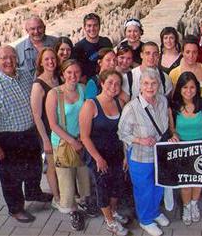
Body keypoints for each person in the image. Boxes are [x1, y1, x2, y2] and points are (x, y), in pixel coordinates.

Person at [0, 45, 52, 223]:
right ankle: (15, 209)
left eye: (12, 57)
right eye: (4, 58)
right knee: (11, 177)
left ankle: (33, 192)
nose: (9, 61)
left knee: (34, 166)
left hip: (29, 133)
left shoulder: (26, 75)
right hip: (7, 139)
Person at [119, 68, 172, 236]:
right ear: (140, 86)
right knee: (144, 189)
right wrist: (140, 140)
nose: (150, 87)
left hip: (160, 153)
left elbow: (166, 124)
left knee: (158, 185)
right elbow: (122, 133)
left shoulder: (163, 100)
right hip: (140, 156)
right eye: (146, 83)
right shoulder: (131, 108)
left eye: (154, 83)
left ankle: (154, 212)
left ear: (158, 85)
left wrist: (173, 135)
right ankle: (145, 220)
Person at [79, 69, 129, 235]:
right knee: (103, 188)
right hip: (97, 155)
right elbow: (85, 137)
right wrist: (98, 158)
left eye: (117, 84)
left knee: (117, 185)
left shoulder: (120, 103)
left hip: (116, 153)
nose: (113, 87)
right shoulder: (90, 105)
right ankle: (109, 221)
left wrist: (125, 155)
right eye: (109, 83)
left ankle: (113, 212)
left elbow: (123, 134)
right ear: (101, 83)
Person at [45, 60, 93, 231]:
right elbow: (53, 124)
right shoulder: (54, 94)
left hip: (81, 141)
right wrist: (72, 141)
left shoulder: (82, 88)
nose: (73, 76)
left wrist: (82, 138)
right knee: (66, 181)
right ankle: (72, 211)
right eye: (69, 73)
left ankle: (83, 203)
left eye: (77, 72)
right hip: (63, 144)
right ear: (63, 74)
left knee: (82, 176)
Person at [169, 72, 202, 225]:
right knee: (186, 183)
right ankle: (186, 207)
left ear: (197, 88)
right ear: (179, 88)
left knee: (198, 181)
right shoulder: (173, 106)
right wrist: (173, 135)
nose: (189, 91)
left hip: (200, 149)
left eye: (192, 87)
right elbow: (172, 129)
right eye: (185, 87)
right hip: (183, 150)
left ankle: (194, 205)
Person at [30, 48, 61, 209]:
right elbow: (36, 115)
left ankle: (64, 192)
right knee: (52, 165)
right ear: (41, 62)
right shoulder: (38, 85)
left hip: (62, 128)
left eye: (53, 59)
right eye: (47, 59)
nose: (50, 62)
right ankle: (56, 197)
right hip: (48, 131)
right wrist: (45, 140)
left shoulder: (58, 78)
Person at [169, 35, 202, 103]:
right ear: (182, 52)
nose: (191, 56)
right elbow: (172, 100)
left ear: (198, 53)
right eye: (187, 52)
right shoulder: (174, 73)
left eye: (194, 52)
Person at [74, 13, 112, 83]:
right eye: (89, 26)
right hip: (88, 83)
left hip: (108, 79)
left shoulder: (106, 42)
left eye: (95, 25)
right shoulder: (78, 47)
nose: (92, 28)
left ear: (99, 26)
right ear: (84, 27)